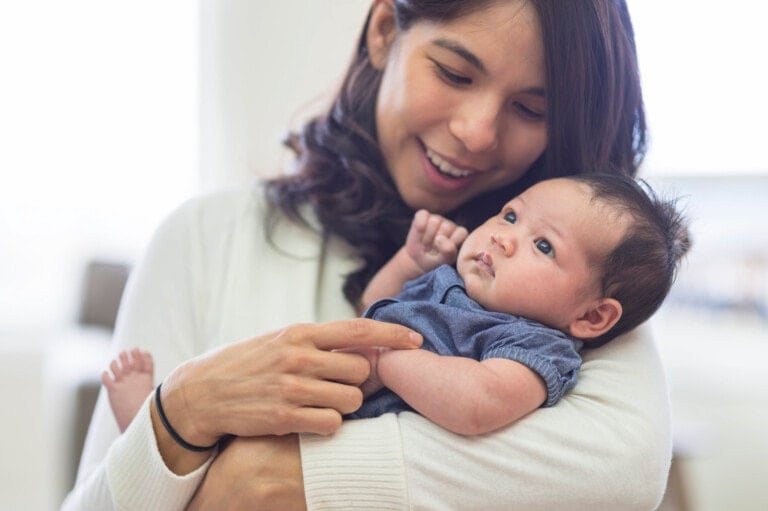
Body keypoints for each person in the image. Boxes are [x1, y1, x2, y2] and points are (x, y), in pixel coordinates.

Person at [63, 1, 672, 509]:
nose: (478, 131)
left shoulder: (571, 295)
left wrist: (268, 478)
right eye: (456, 74)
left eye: (531, 109)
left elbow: (624, 472)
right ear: (385, 32)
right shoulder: (203, 236)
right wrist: (180, 412)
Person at [102, 174, 689, 438]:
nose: (503, 237)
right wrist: (410, 263)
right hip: (317, 387)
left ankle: (160, 436)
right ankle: (154, 428)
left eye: (542, 245)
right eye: (511, 215)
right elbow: (373, 305)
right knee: (236, 413)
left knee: (246, 457)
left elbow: (479, 405)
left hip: (346, 427)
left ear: (591, 317)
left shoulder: (537, 347)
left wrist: (386, 360)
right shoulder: (449, 283)